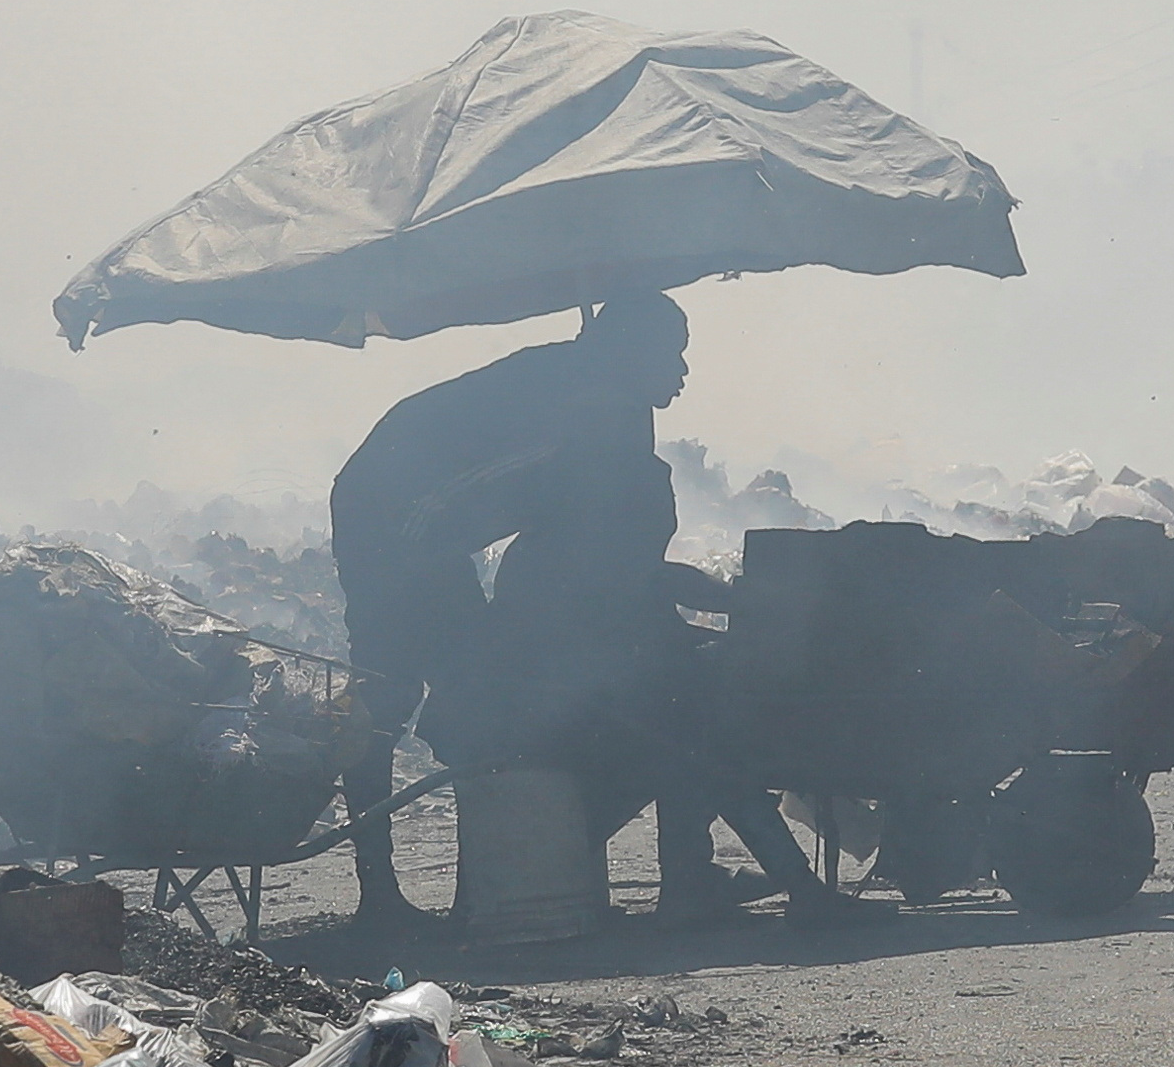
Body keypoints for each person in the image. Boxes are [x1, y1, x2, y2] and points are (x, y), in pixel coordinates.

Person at [326, 291, 692, 923]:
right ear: (628, 350)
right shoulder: (569, 403)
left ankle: (494, 887)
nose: (683, 373)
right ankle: (382, 893)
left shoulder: (614, 399)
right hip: (390, 519)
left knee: (483, 690)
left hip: (439, 533)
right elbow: (461, 506)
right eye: (672, 355)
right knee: (395, 696)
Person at [461, 422, 824, 917]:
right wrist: (750, 607)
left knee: (691, 728)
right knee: (705, 749)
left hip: (576, 714)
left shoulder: (565, 548)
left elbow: (651, 616)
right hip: (550, 728)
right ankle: (794, 891)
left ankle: (693, 883)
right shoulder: (566, 556)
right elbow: (650, 594)